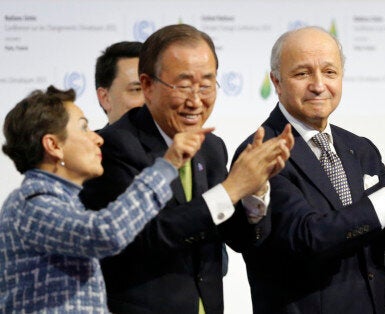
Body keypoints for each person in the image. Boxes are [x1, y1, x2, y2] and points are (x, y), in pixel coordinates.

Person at [234, 26, 385, 314]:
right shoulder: (261, 153)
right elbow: (311, 237)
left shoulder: (360, 149)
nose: (319, 85)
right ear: (277, 82)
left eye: (330, 72)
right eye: (302, 74)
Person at [79, 24, 293, 313]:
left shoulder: (212, 147)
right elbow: (146, 236)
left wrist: (254, 192)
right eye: (183, 86)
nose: (196, 101)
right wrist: (231, 189)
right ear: (147, 85)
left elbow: (238, 238)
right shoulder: (112, 146)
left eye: (206, 85)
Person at [0, 86, 209, 312]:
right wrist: (167, 166)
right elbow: (105, 233)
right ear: (54, 145)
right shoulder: (31, 204)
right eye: (83, 128)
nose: (97, 138)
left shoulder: (62, 203)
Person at [95, 41, 144, 124]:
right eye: (136, 89)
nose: (151, 100)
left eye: (154, 90)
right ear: (105, 98)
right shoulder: (93, 137)